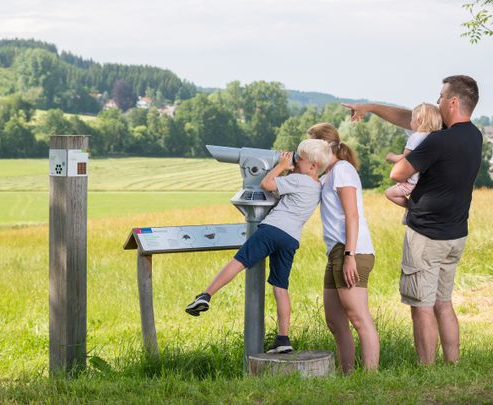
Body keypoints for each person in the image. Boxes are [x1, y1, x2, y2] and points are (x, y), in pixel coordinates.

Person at [342, 75, 482, 365]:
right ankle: (452, 364)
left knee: (421, 306)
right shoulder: (473, 135)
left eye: (441, 97)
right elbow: (414, 118)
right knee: (444, 303)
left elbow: (398, 174)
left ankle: (426, 368)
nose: (438, 100)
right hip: (455, 235)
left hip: (427, 237)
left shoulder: (437, 142)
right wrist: (371, 107)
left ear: (453, 102)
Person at [185, 139, 332, 354]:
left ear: (312, 166)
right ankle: (283, 339)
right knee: (280, 287)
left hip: (272, 230)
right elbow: (281, 193)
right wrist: (285, 171)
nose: (295, 159)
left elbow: (267, 185)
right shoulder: (315, 186)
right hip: (291, 239)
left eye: (300, 158)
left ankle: (205, 295)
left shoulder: (299, 180)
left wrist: (280, 166)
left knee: (239, 262)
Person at [307, 123, 379, 374]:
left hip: (352, 251)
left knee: (359, 317)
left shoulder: (343, 171)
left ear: (323, 147)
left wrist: (349, 256)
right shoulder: (330, 174)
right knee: (335, 321)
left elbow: (352, 215)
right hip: (336, 251)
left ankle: (370, 376)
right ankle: (348, 374)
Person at [384, 103, 442, 210]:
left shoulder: (415, 137)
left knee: (389, 193)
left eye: (412, 119)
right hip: (424, 180)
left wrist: (391, 157)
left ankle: (412, 207)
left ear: (419, 120)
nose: (410, 123)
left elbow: (405, 159)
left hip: (411, 182)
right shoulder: (434, 137)